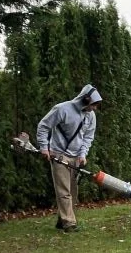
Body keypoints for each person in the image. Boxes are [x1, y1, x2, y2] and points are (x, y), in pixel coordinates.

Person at [36, 84, 103, 231]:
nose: (94, 109)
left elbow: (88, 137)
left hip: (75, 158)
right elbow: (43, 126)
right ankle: (69, 223)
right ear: (85, 100)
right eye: (93, 105)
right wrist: (44, 148)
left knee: (72, 192)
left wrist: (82, 155)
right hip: (58, 154)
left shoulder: (91, 116)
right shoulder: (62, 109)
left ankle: (62, 219)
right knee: (64, 191)